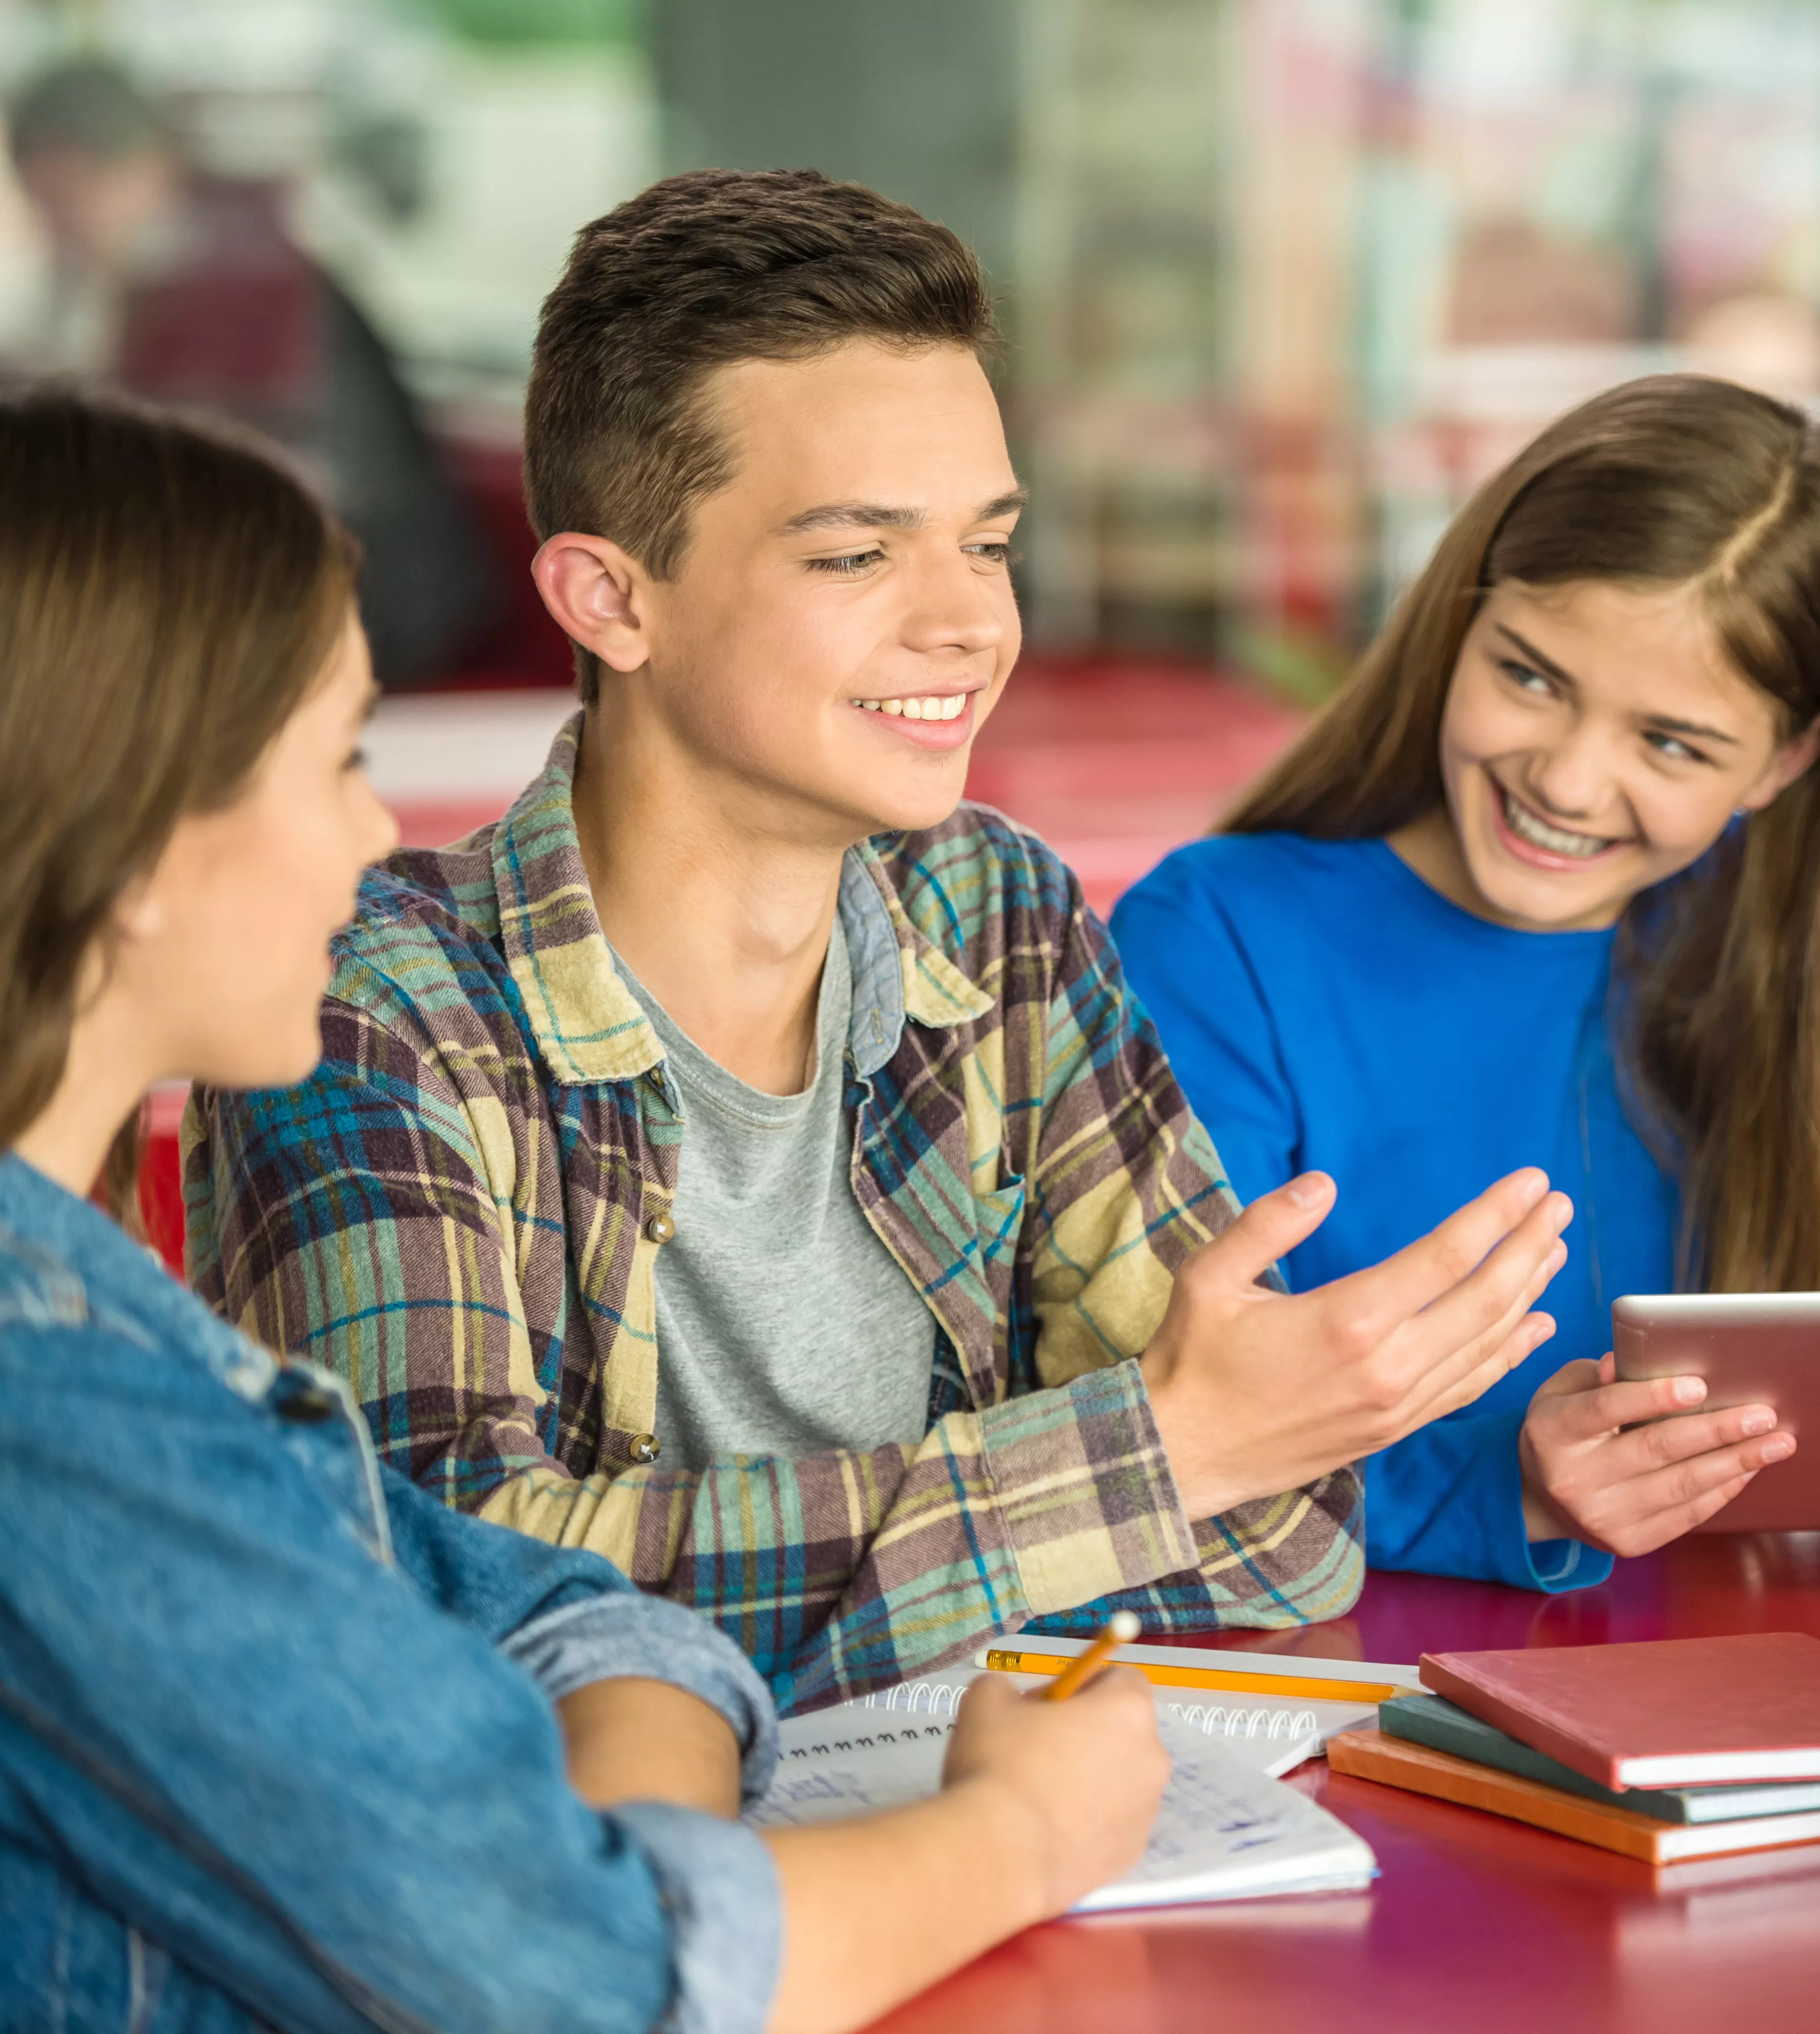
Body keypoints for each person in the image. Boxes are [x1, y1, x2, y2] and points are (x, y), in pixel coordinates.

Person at [187, 168, 1574, 1711]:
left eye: (985, 545)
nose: (970, 623)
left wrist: (1192, 1452)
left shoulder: (999, 914)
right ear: (607, 600)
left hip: (1001, 1842)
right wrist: (1151, 1451)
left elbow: (1281, 1537)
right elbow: (441, 1585)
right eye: (857, 556)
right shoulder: (375, 998)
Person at [0, 384, 1172, 2034]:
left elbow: (518, 1594)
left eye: (989, 542)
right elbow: (586, 1979)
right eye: (336, 757)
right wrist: (1021, 1828)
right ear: (128, 844)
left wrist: (643, 1825)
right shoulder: (56, 1407)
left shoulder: (92, 1311)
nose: (367, 830)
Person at [1111, 375, 1820, 1593]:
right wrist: (1505, 1480)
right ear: (1457, 623)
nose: (1566, 781)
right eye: (1529, 676)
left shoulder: (1744, 953)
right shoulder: (1222, 932)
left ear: (1784, 761)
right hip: (1327, 1674)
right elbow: (1154, 1421)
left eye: (1669, 742)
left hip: (1704, 1679)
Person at [3, 57, 493, 686]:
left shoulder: (243, 278)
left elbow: (272, 488)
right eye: (42, 204)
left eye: (72, 197)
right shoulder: (163, 278)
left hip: (376, 601)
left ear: (150, 167)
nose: (59, 229)